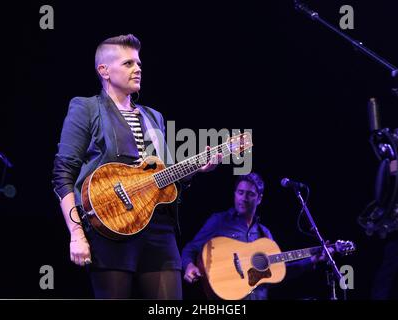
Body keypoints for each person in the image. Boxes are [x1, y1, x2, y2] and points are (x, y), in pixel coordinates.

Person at [52, 34, 220, 299]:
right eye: (128, 63)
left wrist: (197, 168)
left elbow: (162, 176)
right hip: (111, 225)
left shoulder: (154, 117)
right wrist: (76, 234)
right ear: (104, 71)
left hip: (158, 228)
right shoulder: (85, 108)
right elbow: (62, 175)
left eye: (139, 63)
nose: (138, 68)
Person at [181, 172, 329, 300]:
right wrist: (189, 266)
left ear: (259, 199)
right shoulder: (219, 221)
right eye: (240, 192)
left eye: (250, 194)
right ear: (234, 194)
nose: (243, 198)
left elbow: (279, 270)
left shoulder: (264, 234)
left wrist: (312, 260)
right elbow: (190, 248)